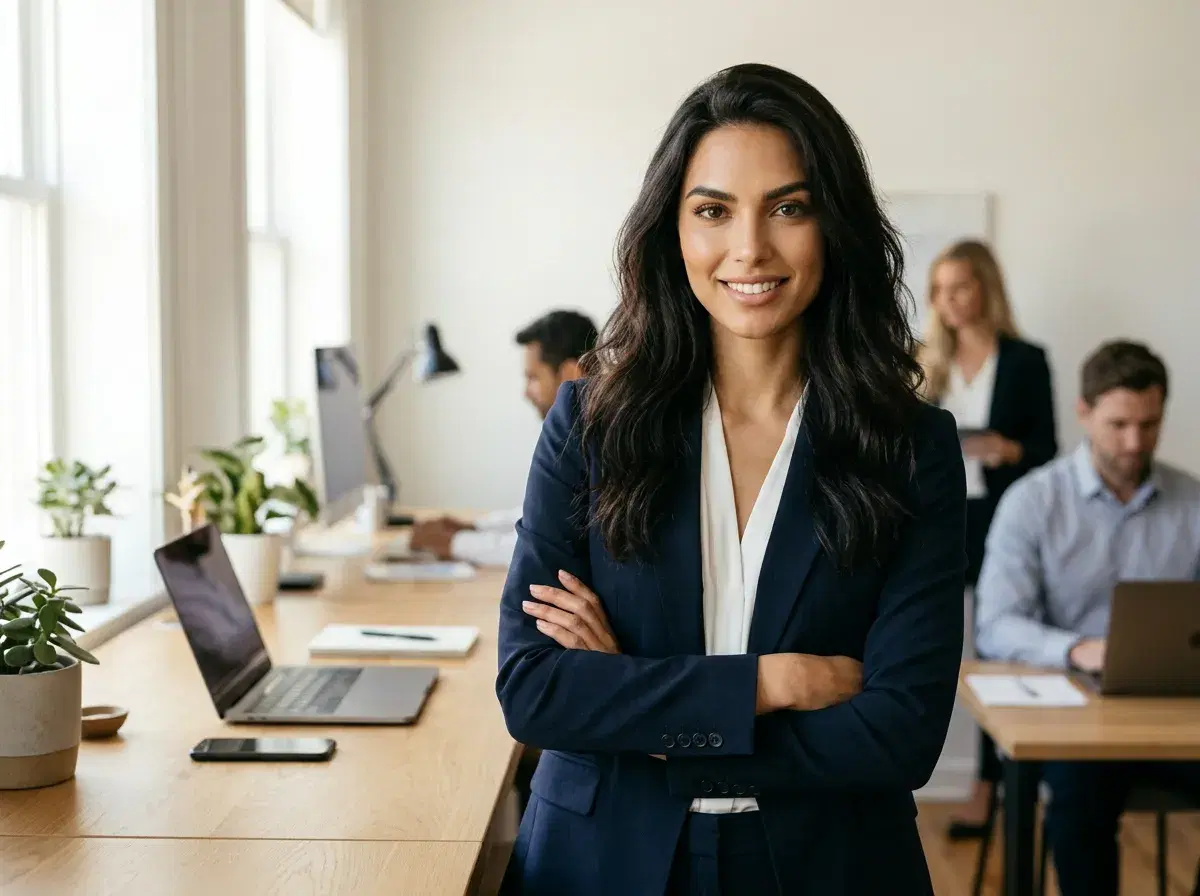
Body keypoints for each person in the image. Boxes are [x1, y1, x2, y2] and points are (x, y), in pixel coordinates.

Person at [496, 63, 966, 896]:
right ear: (671, 230)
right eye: (713, 211)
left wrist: (645, 715)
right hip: (601, 862)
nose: (750, 248)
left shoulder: (910, 445)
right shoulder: (590, 425)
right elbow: (537, 691)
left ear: (834, 226)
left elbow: (902, 735)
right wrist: (772, 683)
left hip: (832, 866)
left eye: (789, 208)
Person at [976, 340, 1200, 896]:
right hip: (1073, 720)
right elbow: (996, 624)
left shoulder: (1193, 503)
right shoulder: (1032, 502)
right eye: (1118, 423)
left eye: (1149, 424)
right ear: (1084, 412)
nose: (1134, 442)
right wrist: (1078, 649)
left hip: (1172, 714)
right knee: (1076, 807)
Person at [917, 239, 1058, 839]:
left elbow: (1048, 451)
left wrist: (1007, 449)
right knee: (944, 649)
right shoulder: (926, 360)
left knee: (999, 653)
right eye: (940, 290)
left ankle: (990, 785)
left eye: (961, 287)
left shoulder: (1025, 359)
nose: (949, 301)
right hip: (942, 519)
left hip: (1003, 518)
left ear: (986, 289)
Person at [409, 310, 598, 566]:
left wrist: (452, 543)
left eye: (533, 377)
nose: (526, 393)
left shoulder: (597, 442)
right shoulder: (580, 431)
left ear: (569, 375)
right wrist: (474, 526)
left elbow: (541, 544)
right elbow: (542, 514)